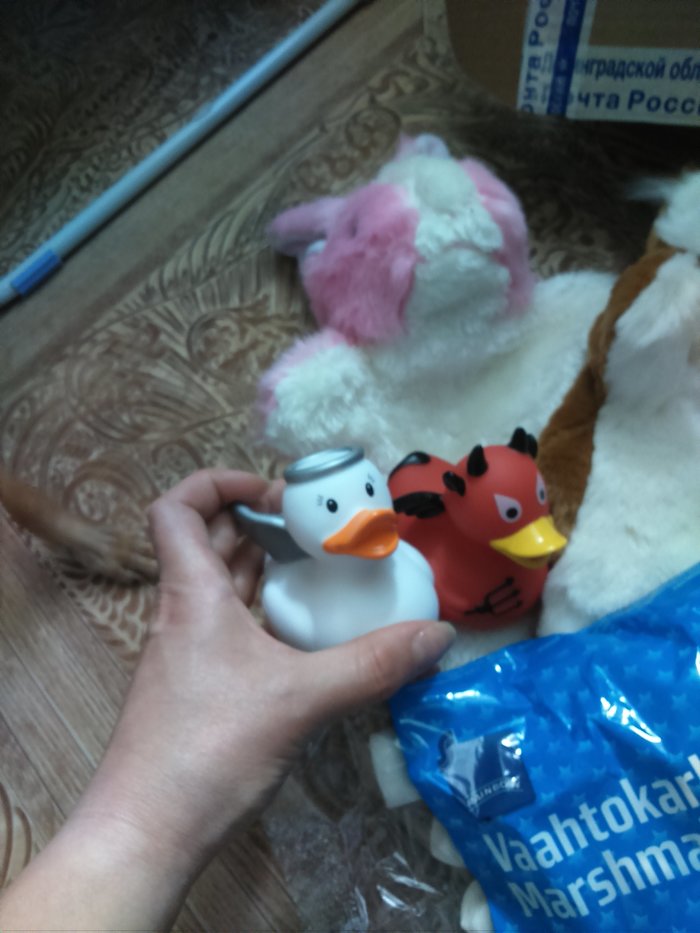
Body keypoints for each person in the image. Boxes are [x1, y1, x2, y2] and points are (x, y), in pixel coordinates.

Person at [0, 468, 455, 930]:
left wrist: (145, 831)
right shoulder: (290, 592)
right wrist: (151, 824)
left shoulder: (402, 562)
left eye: (369, 492)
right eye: (334, 508)